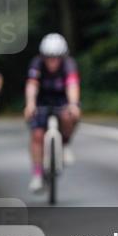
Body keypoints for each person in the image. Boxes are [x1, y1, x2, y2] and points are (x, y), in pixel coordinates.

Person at [23, 33, 81, 193]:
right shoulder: (36, 64)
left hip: (62, 101)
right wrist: (30, 104)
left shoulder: (69, 64)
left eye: (56, 57)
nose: (52, 61)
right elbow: (32, 85)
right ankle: (37, 174)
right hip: (41, 102)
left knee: (71, 115)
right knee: (37, 135)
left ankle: (65, 144)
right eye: (49, 57)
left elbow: (72, 85)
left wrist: (73, 104)